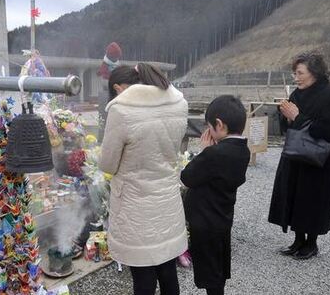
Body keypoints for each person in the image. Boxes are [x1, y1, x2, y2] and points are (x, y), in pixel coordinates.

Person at [100, 63, 188, 295]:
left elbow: (107, 164)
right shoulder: (178, 104)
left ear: (120, 88)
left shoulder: (122, 110)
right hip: (167, 202)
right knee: (168, 269)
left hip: (135, 208)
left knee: (143, 277)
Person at [268, 52, 330, 260]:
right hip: (295, 155)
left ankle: (311, 243)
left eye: (300, 73)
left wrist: (297, 116)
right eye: (294, 73)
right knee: (293, 195)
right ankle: (297, 239)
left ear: (315, 73)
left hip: (320, 160)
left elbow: (328, 128)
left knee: (312, 199)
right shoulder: (296, 94)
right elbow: (286, 127)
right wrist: (284, 115)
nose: (296, 77)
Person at [180, 95, 251, 295]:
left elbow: (187, 177)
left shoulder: (213, 154)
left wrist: (204, 152)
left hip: (205, 221)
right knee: (218, 265)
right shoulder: (242, 150)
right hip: (222, 217)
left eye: (209, 126)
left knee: (209, 270)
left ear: (219, 125)